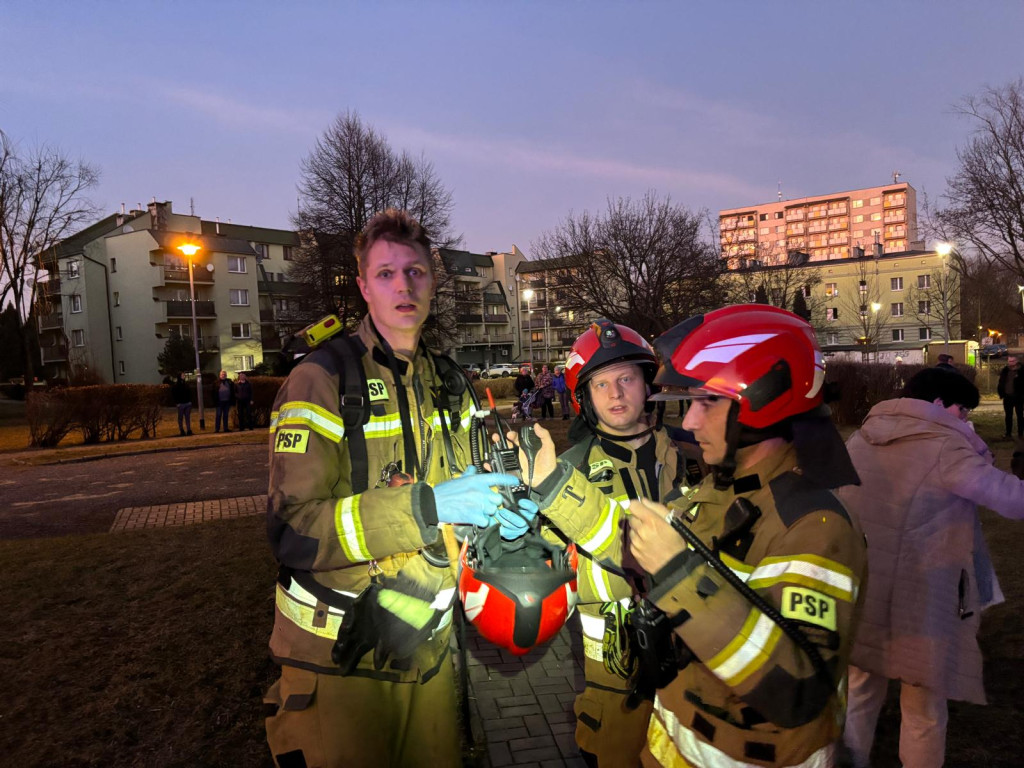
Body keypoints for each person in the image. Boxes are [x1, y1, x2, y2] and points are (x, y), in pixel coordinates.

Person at [523, 305, 867, 767]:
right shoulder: (721, 494)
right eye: (601, 384)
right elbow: (634, 545)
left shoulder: (814, 525)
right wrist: (553, 486)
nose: (688, 420)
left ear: (761, 401)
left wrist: (677, 574)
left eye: (707, 401)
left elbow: (795, 689)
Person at [262, 209, 521, 768]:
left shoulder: (450, 382)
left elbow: (462, 497)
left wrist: (497, 515)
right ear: (363, 287)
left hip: (425, 649)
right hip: (339, 658)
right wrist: (424, 505)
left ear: (433, 281)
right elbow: (292, 529)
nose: (403, 286)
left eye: (416, 272)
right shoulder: (320, 378)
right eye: (385, 274)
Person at [837, 367, 1024, 768]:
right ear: (938, 405)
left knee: (859, 693)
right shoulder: (945, 446)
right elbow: (1011, 500)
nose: (966, 420)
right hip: (921, 599)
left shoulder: (860, 438)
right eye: (963, 411)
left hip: (864, 592)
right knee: (922, 710)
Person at [549, 320, 700, 767]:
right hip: (613, 675)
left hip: (694, 656)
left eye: (626, 379)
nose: (616, 394)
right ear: (585, 398)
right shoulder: (567, 471)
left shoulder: (694, 452)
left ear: (646, 383)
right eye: (601, 384)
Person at [997, 354, 1023, 439]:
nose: (1010, 363)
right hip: (1007, 396)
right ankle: (1008, 433)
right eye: (1009, 361)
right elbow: (1001, 382)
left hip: (1018, 397)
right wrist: (1001, 392)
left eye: (1011, 361)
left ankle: (1020, 433)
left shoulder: (1022, 371)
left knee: (1020, 415)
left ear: (1016, 361)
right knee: (1008, 415)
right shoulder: (1005, 370)